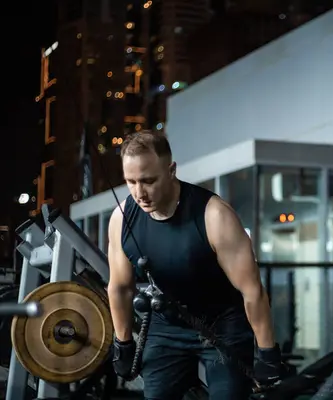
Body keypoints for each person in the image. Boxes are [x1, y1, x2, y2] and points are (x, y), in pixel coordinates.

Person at [106, 130, 284, 399]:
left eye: (148, 180)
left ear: (171, 170)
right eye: (130, 182)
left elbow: (252, 291)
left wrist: (267, 352)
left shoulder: (214, 215)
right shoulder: (122, 219)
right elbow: (120, 287)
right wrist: (123, 343)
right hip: (166, 328)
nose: (139, 193)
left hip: (223, 326)